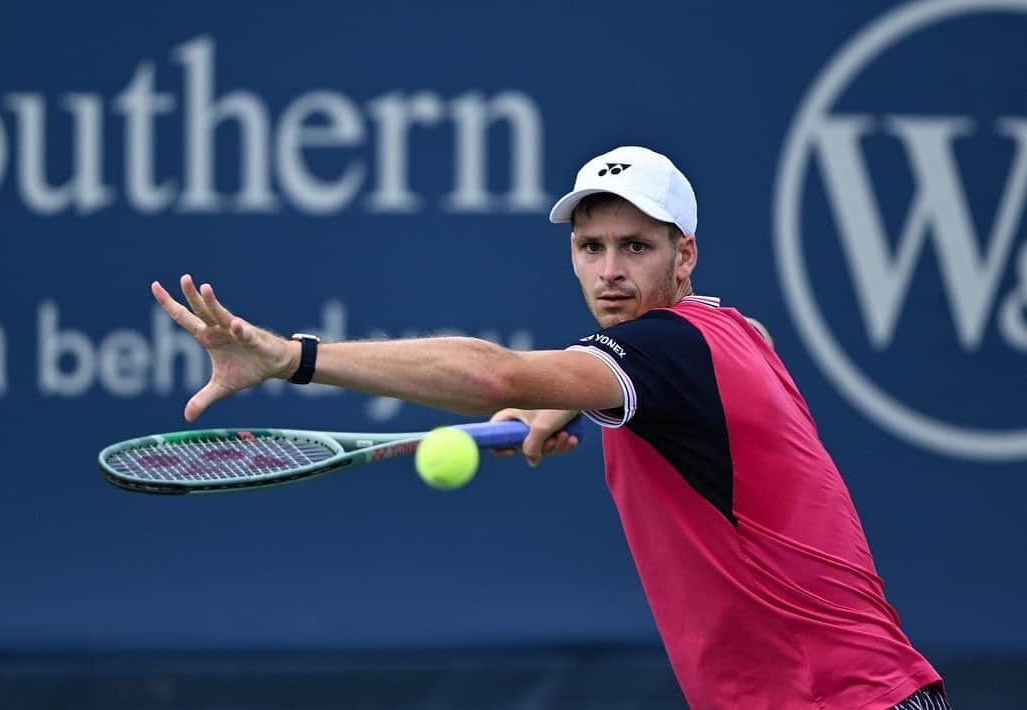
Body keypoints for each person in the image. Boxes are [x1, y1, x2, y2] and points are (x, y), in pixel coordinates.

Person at [152, 146, 948, 709]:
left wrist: (292, 357)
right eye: (590, 247)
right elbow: (694, 373)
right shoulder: (725, 333)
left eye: (636, 248)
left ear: (684, 256)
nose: (609, 271)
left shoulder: (663, 349)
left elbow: (495, 374)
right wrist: (572, 396)